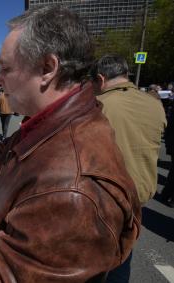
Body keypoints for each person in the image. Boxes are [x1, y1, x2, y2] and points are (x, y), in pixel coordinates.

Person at [0, 6, 140, 282]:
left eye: (6, 68)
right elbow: (4, 156)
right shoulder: (56, 122)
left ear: (48, 68)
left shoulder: (73, 190)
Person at [90, 54, 166, 282]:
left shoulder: (99, 106)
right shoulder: (154, 105)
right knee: (123, 254)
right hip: (138, 198)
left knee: (92, 264)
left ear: (101, 79)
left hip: (103, 200)